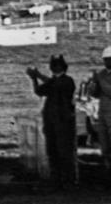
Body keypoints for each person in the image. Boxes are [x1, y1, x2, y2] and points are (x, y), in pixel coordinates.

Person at [27, 54, 77, 186]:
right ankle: (56, 178)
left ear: (63, 67)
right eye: (53, 65)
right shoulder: (53, 81)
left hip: (63, 121)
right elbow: (39, 91)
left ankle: (68, 179)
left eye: (57, 65)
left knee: (64, 151)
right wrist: (34, 79)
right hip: (51, 120)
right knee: (52, 150)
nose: (55, 68)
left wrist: (38, 76)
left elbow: (56, 85)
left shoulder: (67, 80)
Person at [86, 45, 111, 172]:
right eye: (106, 59)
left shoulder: (102, 77)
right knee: (104, 142)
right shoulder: (101, 74)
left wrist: (99, 81)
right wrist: (93, 86)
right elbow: (96, 94)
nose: (107, 61)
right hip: (103, 112)